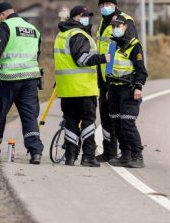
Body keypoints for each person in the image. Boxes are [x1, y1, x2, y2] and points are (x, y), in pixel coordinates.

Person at [0, 2, 44, 166]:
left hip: (7, 80)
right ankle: (35, 152)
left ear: (1, 15)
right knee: (29, 116)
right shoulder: (33, 29)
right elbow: (36, 53)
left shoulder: (6, 26)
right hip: (30, 79)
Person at [54, 5, 110, 167]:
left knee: (71, 121)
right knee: (88, 122)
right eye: (84, 16)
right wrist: (102, 58)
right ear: (77, 17)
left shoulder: (62, 34)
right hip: (83, 88)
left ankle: (70, 157)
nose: (88, 18)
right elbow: (82, 60)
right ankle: (88, 157)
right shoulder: (78, 35)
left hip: (67, 89)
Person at [95, 0, 138, 163]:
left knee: (122, 119)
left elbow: (130, 48)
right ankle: (109, 152)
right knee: (107, 117)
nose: (104, 7)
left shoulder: (124, 20)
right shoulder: (103, 22)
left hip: (119, 78)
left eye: (108, 3)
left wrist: (134, 81)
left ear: (115, 4)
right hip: (104, 77)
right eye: (102, 4)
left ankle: (129, 153)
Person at [107, 15, 148, 168]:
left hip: (128, 89)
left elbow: (141, 70)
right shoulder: (112, 45)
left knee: (127, 123)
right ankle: (125, 155)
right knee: (117, 124)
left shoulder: (134, 45)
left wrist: (138, 87)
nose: (115, 28)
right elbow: (109, 69)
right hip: (114, 90)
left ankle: (138, 156)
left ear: (125, 27)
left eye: (118, 26)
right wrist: (108, 88)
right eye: (113, 26)